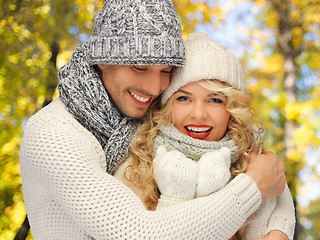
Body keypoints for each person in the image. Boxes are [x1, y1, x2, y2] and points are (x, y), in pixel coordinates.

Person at [19, 0, 287, 239]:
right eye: (140, 67)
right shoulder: (52, 134)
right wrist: (253, 186)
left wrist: (279, 227)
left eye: (166, 70)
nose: (154, 86)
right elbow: (138, 233)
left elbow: (261, 168)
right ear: (102, 60)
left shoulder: (144, 110)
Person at [115, 32, 296, 240]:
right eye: (184, 98)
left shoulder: (255, 164)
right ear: (165, 106)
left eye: (215, 100)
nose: (199, 114)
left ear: (233, 108)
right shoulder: (135, 167)